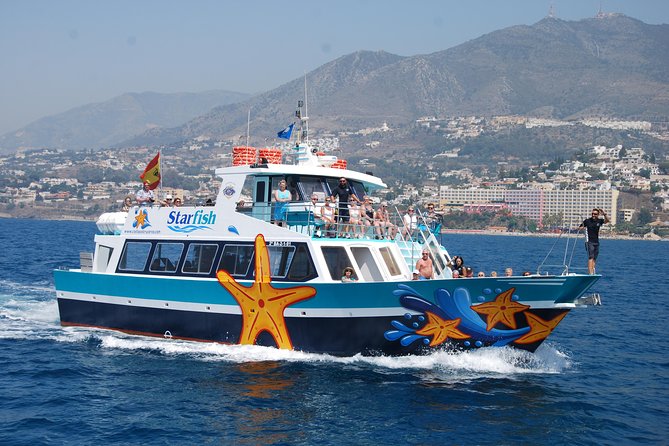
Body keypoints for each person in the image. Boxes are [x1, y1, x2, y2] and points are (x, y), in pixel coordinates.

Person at [579, 208, 610, 274]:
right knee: (591, 257)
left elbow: (607, 221)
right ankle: (590, 273)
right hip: (589, 241)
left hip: (596, 242)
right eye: (592, 214)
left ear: (598, 215)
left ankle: (592, 272)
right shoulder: (587, 221)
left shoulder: (599, 221)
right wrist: (583, 228)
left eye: (595, 214)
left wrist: (604, 214)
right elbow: (580, 228)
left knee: (594, 258)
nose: (593, 215)